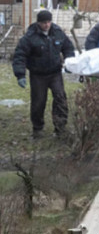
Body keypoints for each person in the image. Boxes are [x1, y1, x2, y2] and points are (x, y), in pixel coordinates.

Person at [12, 10, 75, 139]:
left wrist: (70, 63)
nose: (46, 25)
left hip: (55, 73)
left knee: (60, 98)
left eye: (48, 22)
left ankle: (60, 127)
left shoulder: (58, 33)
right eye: (43, 23)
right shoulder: (30, 37)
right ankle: (38, 128)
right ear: (38, 23)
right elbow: (20, 55)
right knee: (38, 101)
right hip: (38, 74)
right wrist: (20, 74)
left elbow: (68, 48)